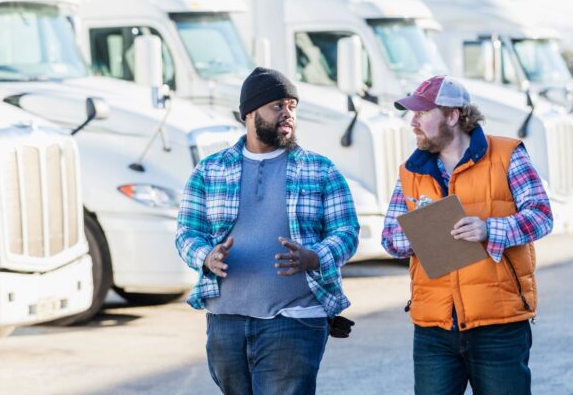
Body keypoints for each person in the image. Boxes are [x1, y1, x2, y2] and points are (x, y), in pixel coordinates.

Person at [176, 67, 359, 395]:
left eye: (292, 106)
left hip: (295, 318)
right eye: (277, 106)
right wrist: (207, 257)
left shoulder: (320, 169)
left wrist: (314, 257)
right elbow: (187, 233)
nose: (287, 113)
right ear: (249, 114)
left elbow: (346, 231)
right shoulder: (210, 170)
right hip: (225, 320)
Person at [381, 75, 553, 395]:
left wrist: (490, 229)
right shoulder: (410, 170)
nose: (413, 122)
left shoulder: (507, 154)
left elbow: (542, 216)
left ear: (452, 115)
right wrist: (425, 232)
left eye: (422, 113)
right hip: (434, 328)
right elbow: (390, 237)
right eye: (412, 114)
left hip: (499, 324)